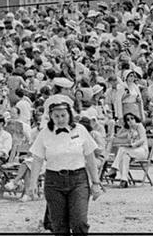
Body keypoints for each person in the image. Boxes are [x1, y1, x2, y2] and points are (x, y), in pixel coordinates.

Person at [28, 94, 103, 235]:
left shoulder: (80, 130)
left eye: (63, 115)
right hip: (53, 182)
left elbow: (90, 157)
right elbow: (37, 160)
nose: (60, 119)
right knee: (59, 225)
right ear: (50, 117)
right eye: (56, 116)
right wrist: (32, 184)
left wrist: (96, 183)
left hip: (78, 180)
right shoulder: (45, 134)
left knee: (79, 221)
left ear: (69, 114)